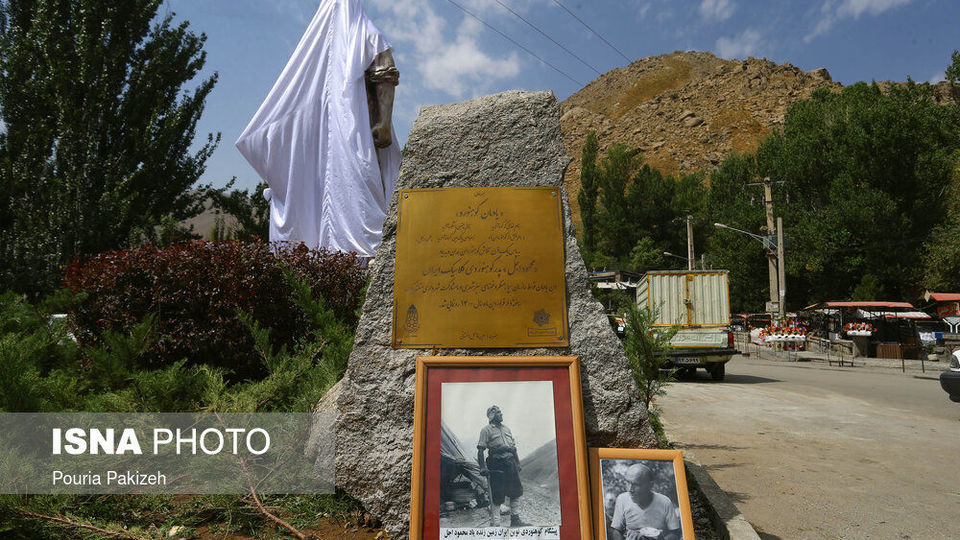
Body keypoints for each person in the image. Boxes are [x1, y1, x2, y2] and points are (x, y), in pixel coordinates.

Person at [477, 405, 526, 527]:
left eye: (501, 412)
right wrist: (482, 467)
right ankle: (496, 524)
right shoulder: (486, 430)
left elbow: (514, 449)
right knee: (497, 494)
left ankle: (515, 520)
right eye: (498, 413)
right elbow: (480, 450)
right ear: (492, 416)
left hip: (511, 464)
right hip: (497, 465)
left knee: (516, 491)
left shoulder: (507, 429)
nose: (501, 414)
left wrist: (518, 463)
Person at [609, 464, 681, 540]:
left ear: (650, 485)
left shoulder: (664, 502)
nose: (630, 489)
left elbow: (675, 533)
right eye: (628, 482)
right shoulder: (622, 499)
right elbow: (616, 530)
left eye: (636, 484)